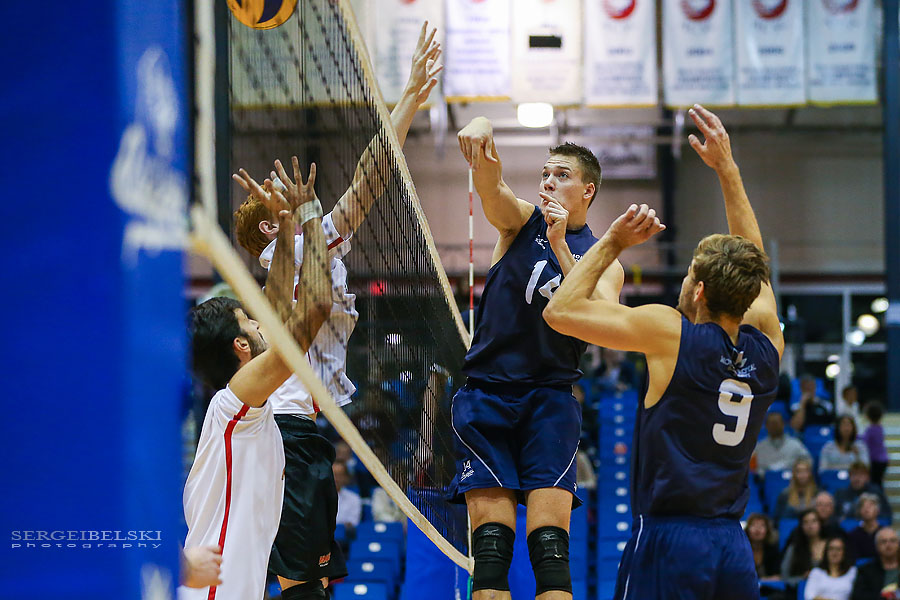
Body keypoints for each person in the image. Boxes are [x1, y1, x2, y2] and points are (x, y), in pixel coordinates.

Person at [231, 24, 442, 599]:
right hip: (283, 437)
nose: (289, 185)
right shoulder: (288, 251)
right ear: (271, 225)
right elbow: (361, 188)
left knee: (315, 583)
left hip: (302, 435)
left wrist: (405, 104)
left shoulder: (306, 245)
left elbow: (367, 183)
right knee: (301, 584)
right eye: (278, 191)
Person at [544, 104, 783, 600]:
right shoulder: (767, 347)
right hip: (731, 547)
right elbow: (753, 258)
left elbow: (560, 313)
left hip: (669, 540)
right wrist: (727, 169)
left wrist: (610, 241)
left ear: (697, 292)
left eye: (688, 272)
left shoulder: (671, 333)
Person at [449, 110, 619, 598]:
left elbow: (606, 321)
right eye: (545, 173)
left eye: (562, 175)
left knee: (549, 554)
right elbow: (490, 186)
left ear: (587, 190)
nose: (548, 181)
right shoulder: (519, 222)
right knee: (493, 555)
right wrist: (482, 129)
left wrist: (564, 247)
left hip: (549, 400)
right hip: (488, 396)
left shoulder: (603, 259)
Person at [180, 170, 332, 600]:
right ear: (241, 345)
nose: (263, 317)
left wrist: (285, 226)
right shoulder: (237, 405)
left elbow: (279, 300)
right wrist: (310, 215)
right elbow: (315, 306)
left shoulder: (238, 408)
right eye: (250, 320)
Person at [753, 411, 813, 476]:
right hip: (766, 482)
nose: (774, 426)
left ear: (783, 424)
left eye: (776, 423)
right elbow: (752, 469)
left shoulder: (795, 444)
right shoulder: (759, 447)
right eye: (772, 424)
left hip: (791, 480)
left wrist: (797, 471)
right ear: (766, 426)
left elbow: (809, 461)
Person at [850, 527, 900, 600]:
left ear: (898, 544)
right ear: (876, 546)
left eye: (892, 541)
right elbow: (857, 597)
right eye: (883, 541)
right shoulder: (866, 571)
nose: (888, 545)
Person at [781, 510, 828, 586]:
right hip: (801, 589)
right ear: (801, 526)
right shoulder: (794, 548)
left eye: (814, 521)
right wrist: (802, 578)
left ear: (820, 524)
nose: (810, 525)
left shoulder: (831, 546)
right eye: (805, 522)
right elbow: (784, 576)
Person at [804, 536, 858, 600]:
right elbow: (809, 596)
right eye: (831, 549)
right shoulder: (816, 572)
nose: (834, 553)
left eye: (838, 549)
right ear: (826, 552)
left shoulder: (853, 572)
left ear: (844, 552)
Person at [774, 458, 819, 523]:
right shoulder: (784, 494)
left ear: (810, 474)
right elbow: (777, 518)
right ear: (794, 474)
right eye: (799, 471)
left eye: (805, 471)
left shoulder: (817, 492)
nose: (802, 475)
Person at [744, 513, 781, 582]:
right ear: (747, 529)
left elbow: (777, 576)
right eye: (753, 525)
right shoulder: (741, 550)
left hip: (768, 588)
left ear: (767, 531)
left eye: (762, 526)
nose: (757, 529)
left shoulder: (773, 550)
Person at [847, 493, 883, 561]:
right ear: (859, 511)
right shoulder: (853, 535)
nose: (866, 509)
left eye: (870, 506)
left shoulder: (884, 534)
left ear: (877, 510)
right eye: (863, 506)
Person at [862, 402, 888, 488]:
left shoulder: (871, 429)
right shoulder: (880, 427)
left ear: (868, 416)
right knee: (878, 482)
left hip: (875, 460)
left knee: (875, 483)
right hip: (883, 459)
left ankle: (879, 498)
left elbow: (864, 440)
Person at [334, 461, 362, 532]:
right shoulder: (317, 497)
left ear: (346, 477)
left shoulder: (354, 498)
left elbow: (353, 522)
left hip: (344, 540)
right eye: (333, 474)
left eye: (339, 475)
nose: (335, 478)